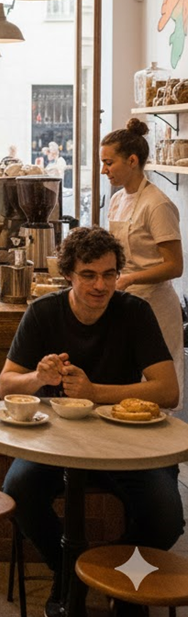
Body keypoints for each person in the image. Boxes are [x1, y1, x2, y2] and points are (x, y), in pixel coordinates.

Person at [0, 226, 183, 617]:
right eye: (89, 275)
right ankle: (68, 573)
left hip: (130, 445)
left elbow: (168, 391)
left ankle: (121, 580)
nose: (101, 285)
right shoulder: (44, 312)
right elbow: (6, 384)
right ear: (68, 273)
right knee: (19, 490)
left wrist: (95, 391)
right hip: (58, 442)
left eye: (110, 274)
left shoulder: (134, 312)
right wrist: (38, 378)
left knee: (166, 516)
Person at [102, 118, 184, 406]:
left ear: (132, 160)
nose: (104, 170)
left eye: (109, 163)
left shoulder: (157, 204)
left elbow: (175, 266)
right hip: (125, 302)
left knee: (157, 394)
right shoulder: (117, 200)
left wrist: (130, 278)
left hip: (156, 307)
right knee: (127, 389)